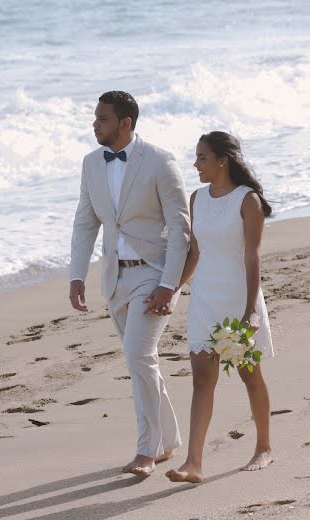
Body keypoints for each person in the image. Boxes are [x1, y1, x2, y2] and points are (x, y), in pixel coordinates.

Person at [69, 90, 190, 477]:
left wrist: (169, 285)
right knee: (144, 362)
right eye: (94, 117)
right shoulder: (91, 163)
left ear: (126, 122)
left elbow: (180, 230)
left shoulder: (159, 161)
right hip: (114, 278)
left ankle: (146, 451)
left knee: (138, 356)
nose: (95, 124)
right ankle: (169, 441)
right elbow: (86, 222)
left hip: (153, 274)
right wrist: (76, 274)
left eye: (102, 118)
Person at [166, 131, 274, 484]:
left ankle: (263, 447)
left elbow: (252, 256)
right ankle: (193, 462)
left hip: (238, 298)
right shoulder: (197, 199)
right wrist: (173, 290)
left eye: (202, 158)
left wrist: (251, 310)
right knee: (201, 378)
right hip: (205, 298)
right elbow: (195, 254)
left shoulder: (248, 200)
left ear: (222, 159)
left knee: (248, 374)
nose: (196, 164)